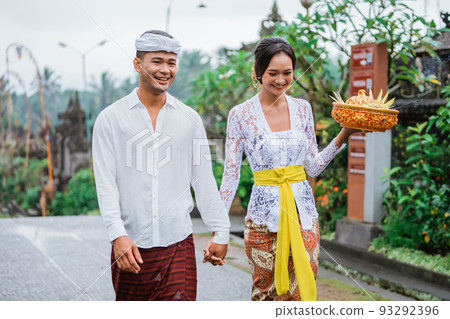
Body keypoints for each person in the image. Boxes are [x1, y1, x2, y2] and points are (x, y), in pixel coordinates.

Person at [92, 30, 230, 301]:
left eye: (171, 62)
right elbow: (105, 184)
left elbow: (203, 179)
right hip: (130, 246)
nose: (165, 70)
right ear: (137, 64)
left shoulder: (190, 120)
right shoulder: (110, 120)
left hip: (178, 243)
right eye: (157, 61)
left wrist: (221, 230)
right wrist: (116, 235)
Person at [219, 36, 359, 301]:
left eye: (287, 73)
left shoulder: (303, 109)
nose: (281, 80)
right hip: (263, 223)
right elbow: (230, 176)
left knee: (300, 299)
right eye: (272, 73)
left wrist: (344, 135)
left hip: (304, 218)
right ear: (258, 72)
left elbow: (313, 167)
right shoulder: (240, 114)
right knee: (266, 297)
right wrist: (219, 230)